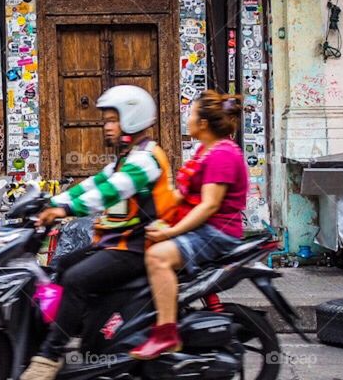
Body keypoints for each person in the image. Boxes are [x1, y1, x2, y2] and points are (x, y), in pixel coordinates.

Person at [21, 85, 177, 380]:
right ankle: (80, 334)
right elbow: (92, 184)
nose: (106, 127)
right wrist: (51, 202)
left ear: (131, 119)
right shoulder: (126, 158)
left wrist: (65, 210)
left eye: (112, 120)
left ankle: (49, 356)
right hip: (116, 244)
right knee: (60, 267)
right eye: (106, 121)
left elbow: (109, 192)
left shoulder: (146, 159)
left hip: (137, 247)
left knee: (75, 279)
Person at [129, 90, 248, 360]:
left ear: (203, 123)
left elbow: (209, 206)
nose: (188, 119)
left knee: (157, 257)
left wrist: (170, 232)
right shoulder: (206, 150)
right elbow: (182, 195)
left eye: (191, 114)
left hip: (216, 232)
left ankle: (166, 333)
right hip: (202, 227)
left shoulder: (222, 155)